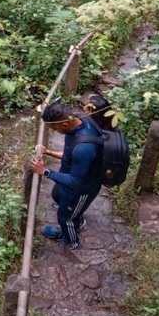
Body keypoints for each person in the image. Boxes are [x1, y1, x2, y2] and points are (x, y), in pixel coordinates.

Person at [30, 99, 104, 250]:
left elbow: (76, 182)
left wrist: (45, 171)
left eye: (54, 128)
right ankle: (76, 215)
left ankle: (71, 239)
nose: (53, 131)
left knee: (65, 217)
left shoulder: (84, 148)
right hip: (73, 176)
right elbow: (69, 155)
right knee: (57, 195)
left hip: (81, 189)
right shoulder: (78, 121)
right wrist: (48, 152)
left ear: (64, 124)